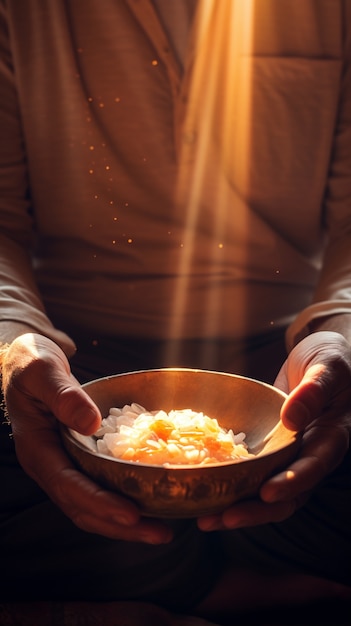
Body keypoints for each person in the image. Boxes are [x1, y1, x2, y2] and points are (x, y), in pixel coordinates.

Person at [0, 0, 351, 624]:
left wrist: (341, 336)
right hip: (73, 360)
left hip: (284, 364)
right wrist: (16, 348)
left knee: (321, 461)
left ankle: (144, 583)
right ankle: (227, 583)